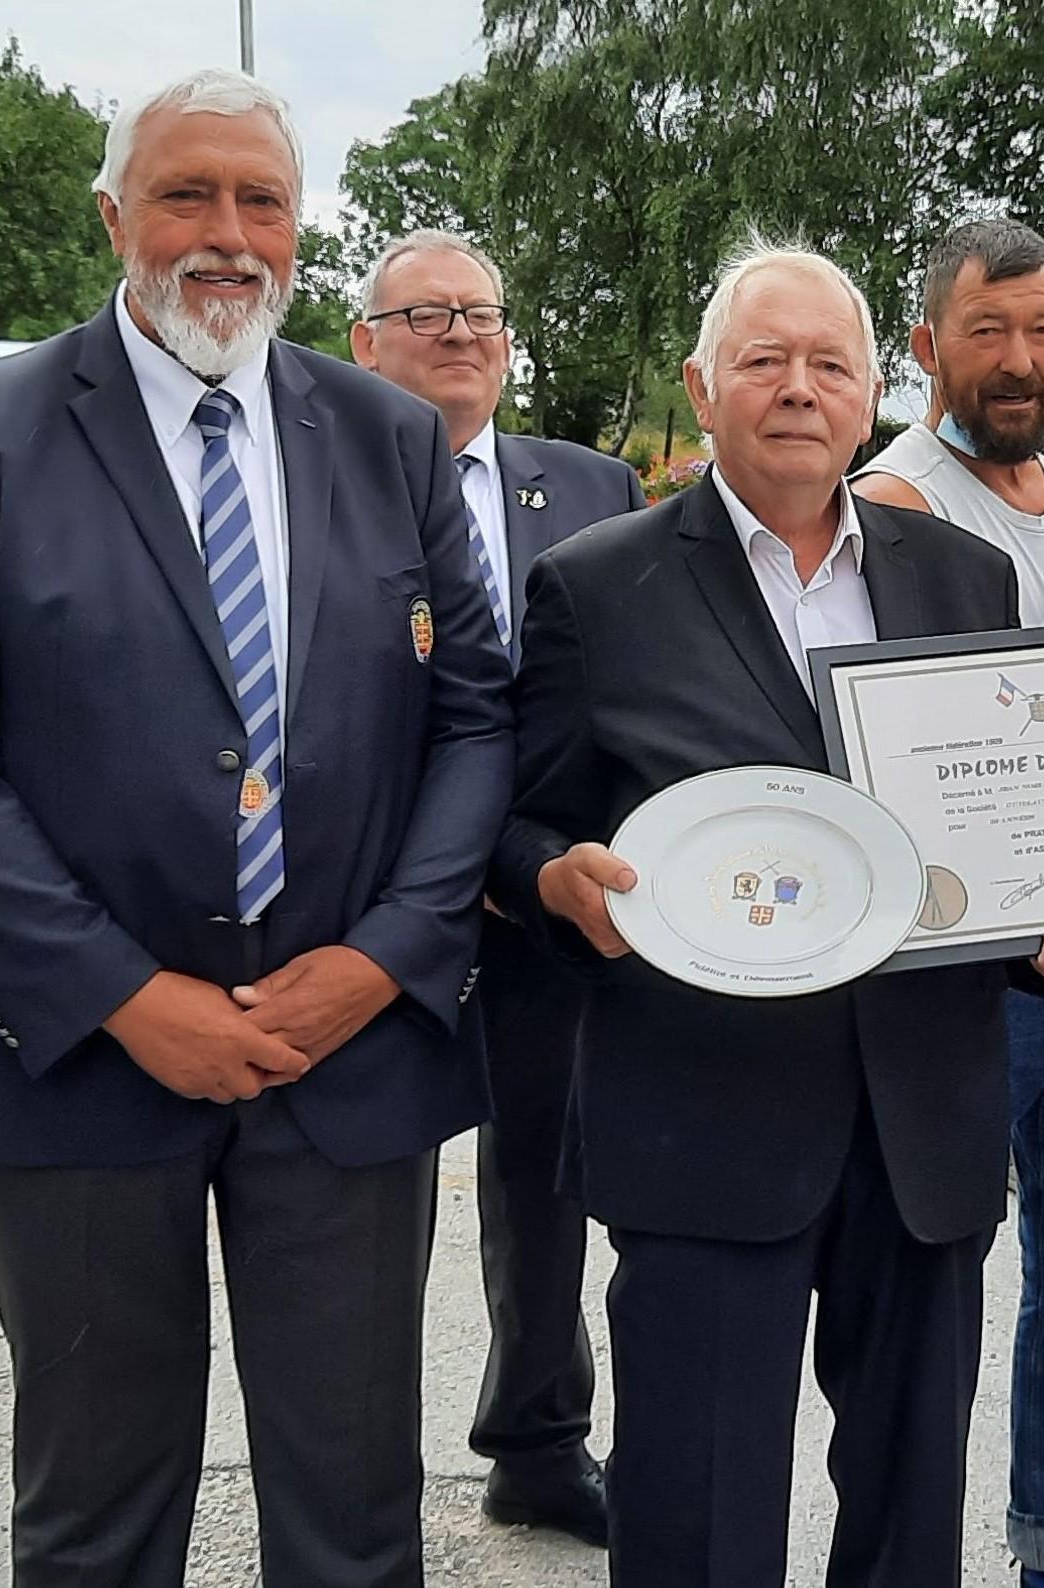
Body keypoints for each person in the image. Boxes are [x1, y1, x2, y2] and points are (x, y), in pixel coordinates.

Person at [0, 70, 514, 1587]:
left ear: (298, 228)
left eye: (260, 200)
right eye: (186, 194)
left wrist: (381, 960)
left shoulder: (389, 437)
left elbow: (477, 718)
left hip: (345, 1055)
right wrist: (126, 997)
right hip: (84, 1068)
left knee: (355, 1521)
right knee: (95, 1522)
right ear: (114, 216)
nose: (228, 234)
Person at [490, 240, 1044, 1588]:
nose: (799, 387)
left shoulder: (962, 575)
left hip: (921, 1122)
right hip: (700, 1121)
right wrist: (555, 883)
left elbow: (999, 832)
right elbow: (519, 824)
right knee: (696, 1522)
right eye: (765, 360)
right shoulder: (597, 586)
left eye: (829, 363)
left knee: (908, 1524)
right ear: (703, 386)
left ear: (871, 389)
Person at [855, 217, 1044, 1588]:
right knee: (932, 1284)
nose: (1024, 359)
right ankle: (907, 1549)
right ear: (929, 345)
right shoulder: (894, 505)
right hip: (977, 979)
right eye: (990, 332)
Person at [349, 227, 643, 1548]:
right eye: (427, 313)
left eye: (480, 312)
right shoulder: (315, 481)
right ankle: (359, 1479)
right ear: (365, 342)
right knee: (371, 1203)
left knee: (546, 1181)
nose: (460, 332)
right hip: (373, 905)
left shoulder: (590, 483)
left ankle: (537, 1441)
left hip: (543, 901)